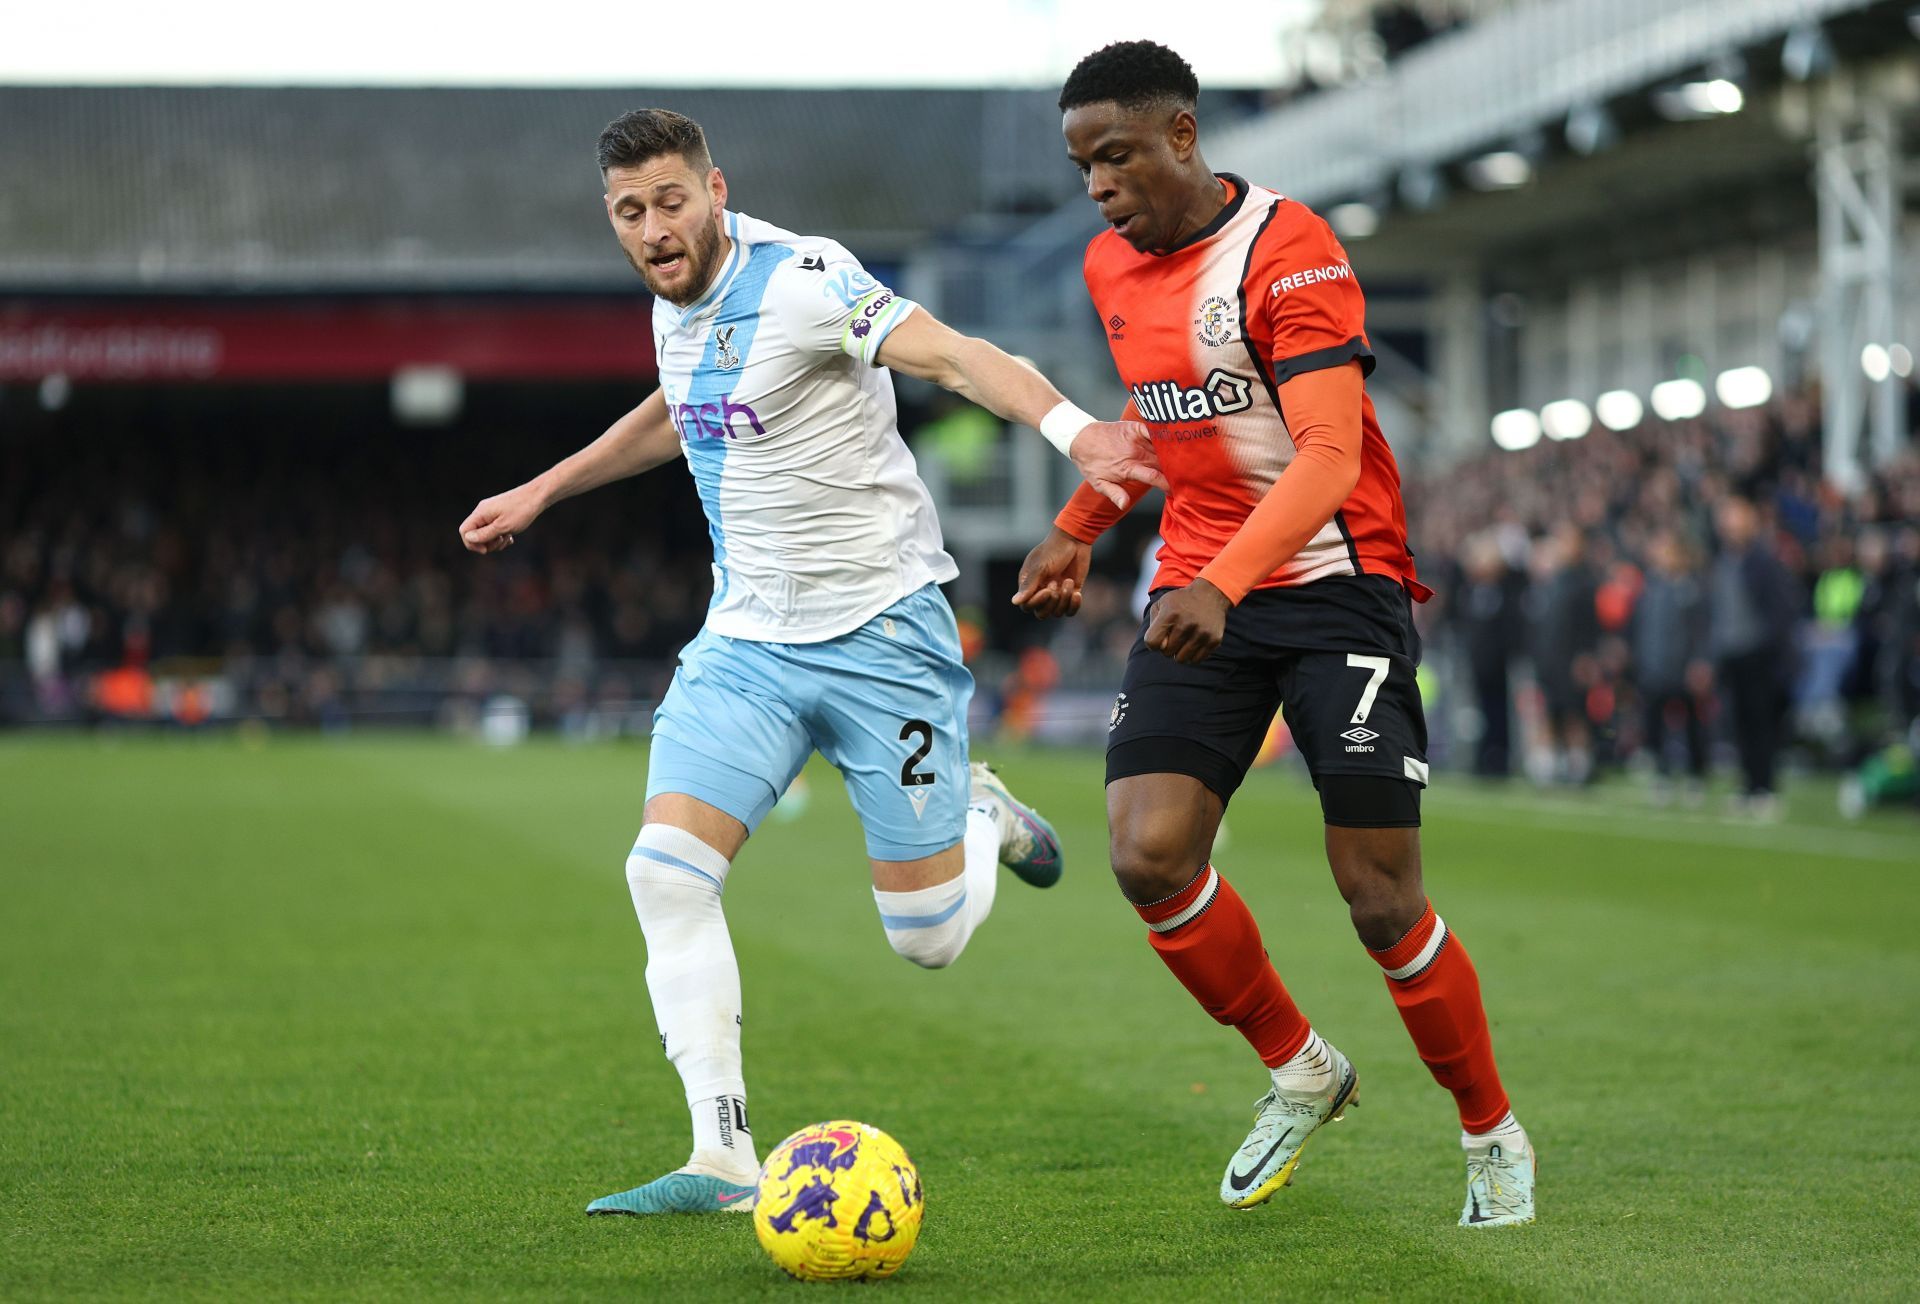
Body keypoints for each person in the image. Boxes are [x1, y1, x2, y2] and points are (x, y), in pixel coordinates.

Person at [458, 107, 1163, 1216]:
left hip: (885, 632)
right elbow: (674, 409)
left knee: (927, 940)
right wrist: (545, 489)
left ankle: (983, 814)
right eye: (630, 212)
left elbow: (957, 356)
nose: (653, 228)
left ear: (716, 190)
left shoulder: (806, 278)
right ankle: (724, 1153)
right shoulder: (671, 303)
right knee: (663, 872)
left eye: (671, 201)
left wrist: (1078, 434)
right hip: (747, 640)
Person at [1013, 42, 1533, 1228]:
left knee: (1380, 898)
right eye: (1083, 164)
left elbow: (1330, 455)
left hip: (1337, 583)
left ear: (1183, 137)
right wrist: (1082, 521)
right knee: (1148, 853)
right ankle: (1301, 1064)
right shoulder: (1110, 266)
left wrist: (1231, 585)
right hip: (1207, 577)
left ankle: (1491, 1131)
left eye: (1118, 155)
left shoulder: (1288, 250)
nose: (1097, 185)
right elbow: (1164, 432)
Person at [1708, 495, 1798, 819]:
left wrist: (1776, 649)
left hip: (1758, 654)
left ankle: (1765, 787)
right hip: (1731, 654)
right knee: (1740, 723)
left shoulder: (1763, 561)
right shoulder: (1723, 562)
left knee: (1761, 723)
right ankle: (1748, 785)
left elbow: (1780, 610)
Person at [1632, 529, 1711, 803]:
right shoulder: (1651, 588)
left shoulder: (1691, 588)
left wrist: (1700, 662)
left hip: (1683, 668)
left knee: (1690, 723)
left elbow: (1702, 631)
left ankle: (1695, 775)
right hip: (1655, 667)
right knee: (1654, 723)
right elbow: (1642, 629)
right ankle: (1661, 774)